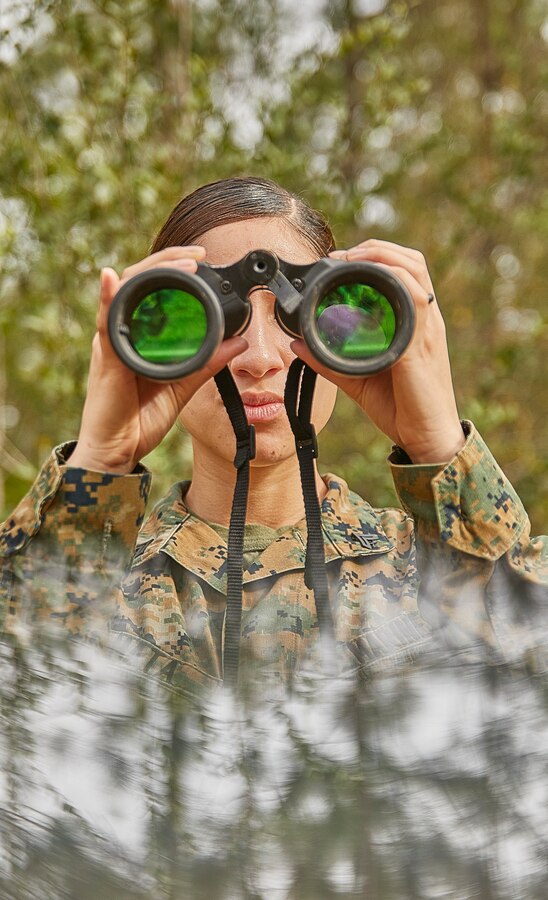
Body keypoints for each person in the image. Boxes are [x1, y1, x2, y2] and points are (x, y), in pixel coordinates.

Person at [1, 176, 547, 690]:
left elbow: (527, 666)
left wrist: (439, 444)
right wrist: (99, 462)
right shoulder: (97, 580)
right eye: (219, 319)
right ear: (150, 348)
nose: (259, 358)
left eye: (293, 315)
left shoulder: (430, 566)